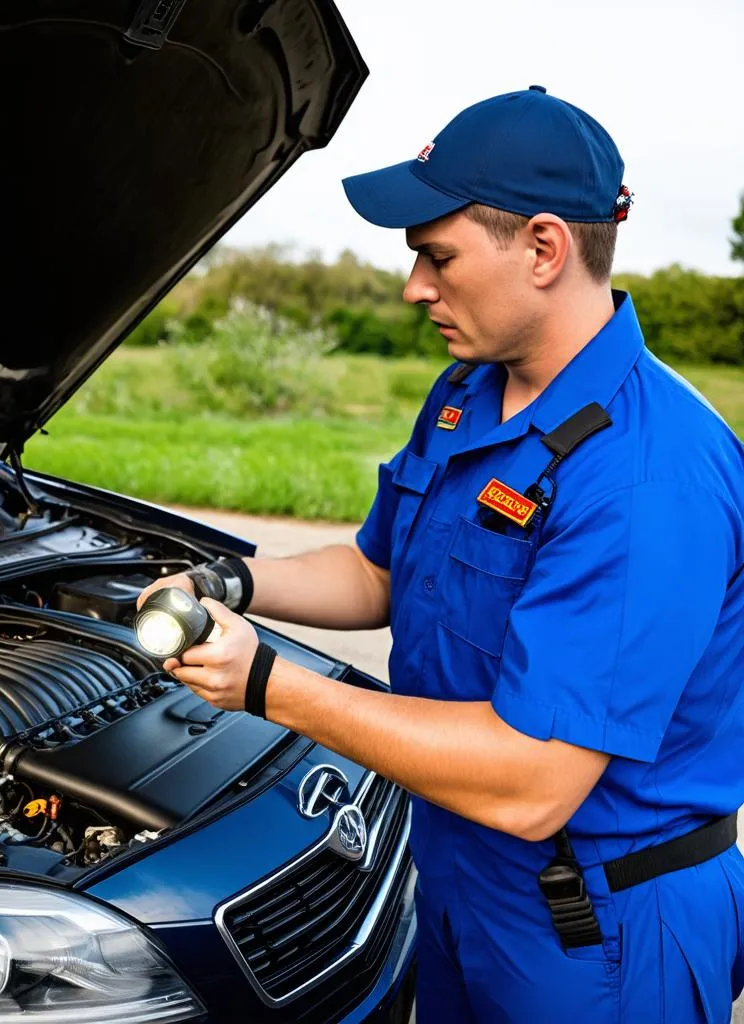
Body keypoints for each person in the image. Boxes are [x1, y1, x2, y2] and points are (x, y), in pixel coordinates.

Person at [136, 86, 744, 1022]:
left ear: (544, 248)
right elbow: (380, 571)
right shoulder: (468, 393)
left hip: (599, 927)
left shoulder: (646, 476)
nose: (414, 287)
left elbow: (538, 780)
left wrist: (270, 686)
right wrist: (234, 581)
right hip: (464, 879)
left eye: (437, 255)